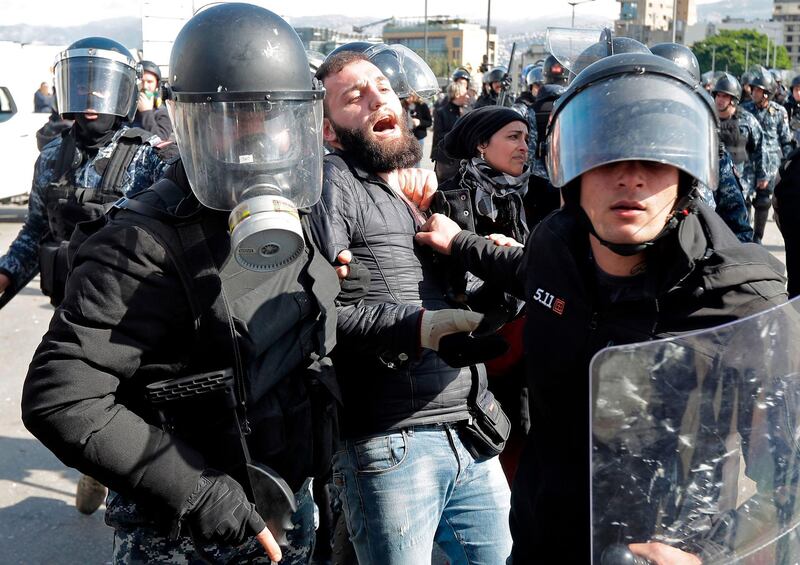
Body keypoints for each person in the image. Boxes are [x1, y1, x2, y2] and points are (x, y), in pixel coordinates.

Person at [415, 51, 787, 563]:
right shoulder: (556, 244)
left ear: (687, 173)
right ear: (573, 170)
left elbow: (787, 472)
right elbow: (523, 271)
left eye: (655, 158)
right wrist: (458, 242)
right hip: (543, 534)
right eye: (606, 156)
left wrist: (715, 552)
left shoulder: (736, 294)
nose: (630, 177)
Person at [20, 5, 349, 563]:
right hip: (184, 534)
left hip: (287, 503)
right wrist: (198, 493)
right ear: (193, 124)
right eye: (233, 118)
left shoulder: (303, 211)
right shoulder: (139, 242)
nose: (255, 137)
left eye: (271, 117)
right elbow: (62, 396)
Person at [310, 50, 513, 565]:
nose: (379, 97)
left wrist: (487, 260)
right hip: (392, 443)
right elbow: (314, 312)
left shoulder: (410, 192)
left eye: (382, 86)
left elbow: (444, 295)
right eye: (354, 96)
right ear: (330, 131)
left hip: (468, 430)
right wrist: (418, 328)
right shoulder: (331, 183)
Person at [432, 105, 532, 483]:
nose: (524, 147)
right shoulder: (453, 196)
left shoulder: (521, 191)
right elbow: (457, 280)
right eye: (513, 137)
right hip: (481, 343)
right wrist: (501, 259)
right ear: (480, 147)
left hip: (522, 336)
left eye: (525, 138)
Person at [741, 66, 794, 243]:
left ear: (767, 93)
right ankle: (745, 235)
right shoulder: (745, 109)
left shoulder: (779, 112)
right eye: (753, 89)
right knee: (744, 199)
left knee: (763, 202)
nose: (753, 92)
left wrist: (788, 165)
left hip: (770, 166)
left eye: (758, 90)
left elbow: (786, 140)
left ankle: (758, 238)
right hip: (748, 163)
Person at [712, 73, 766, 242]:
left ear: (733, 99)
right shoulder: (707, 118)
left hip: (740, 183)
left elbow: (759, 148)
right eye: (718, 95)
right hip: (710, 182)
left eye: (725, 96)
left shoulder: (747, 121)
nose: (720, 100)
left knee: (739, 229)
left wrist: (762, 175)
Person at [430, 78, 471, 183]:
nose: (467, 96)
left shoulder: (468, 112)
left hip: (464, 161)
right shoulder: (441, 112)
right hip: (447, 162)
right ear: (457, 94)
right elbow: (438, 136)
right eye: (465, 94)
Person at [131, 60, 173, 140]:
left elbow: (161, 140)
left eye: (149, 82)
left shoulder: (162, 112)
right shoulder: (127, 108)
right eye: (141, 81)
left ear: (157, 85)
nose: (145, 86)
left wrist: (146, 112)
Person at [403, 92, 431, 165]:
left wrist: (420, 122)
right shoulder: (402, 105)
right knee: (405, 162)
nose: (407, 99)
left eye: (409, 96)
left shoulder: (422, 105)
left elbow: (429, 122)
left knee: (416, 161)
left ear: (414, 95)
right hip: (404, 138)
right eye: (405, 97)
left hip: (418, 137)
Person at [785, 75, 800, 146]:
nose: (798, 93)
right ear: (792, 91)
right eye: (796, 90)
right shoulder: (786, 106)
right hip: (790, 142)